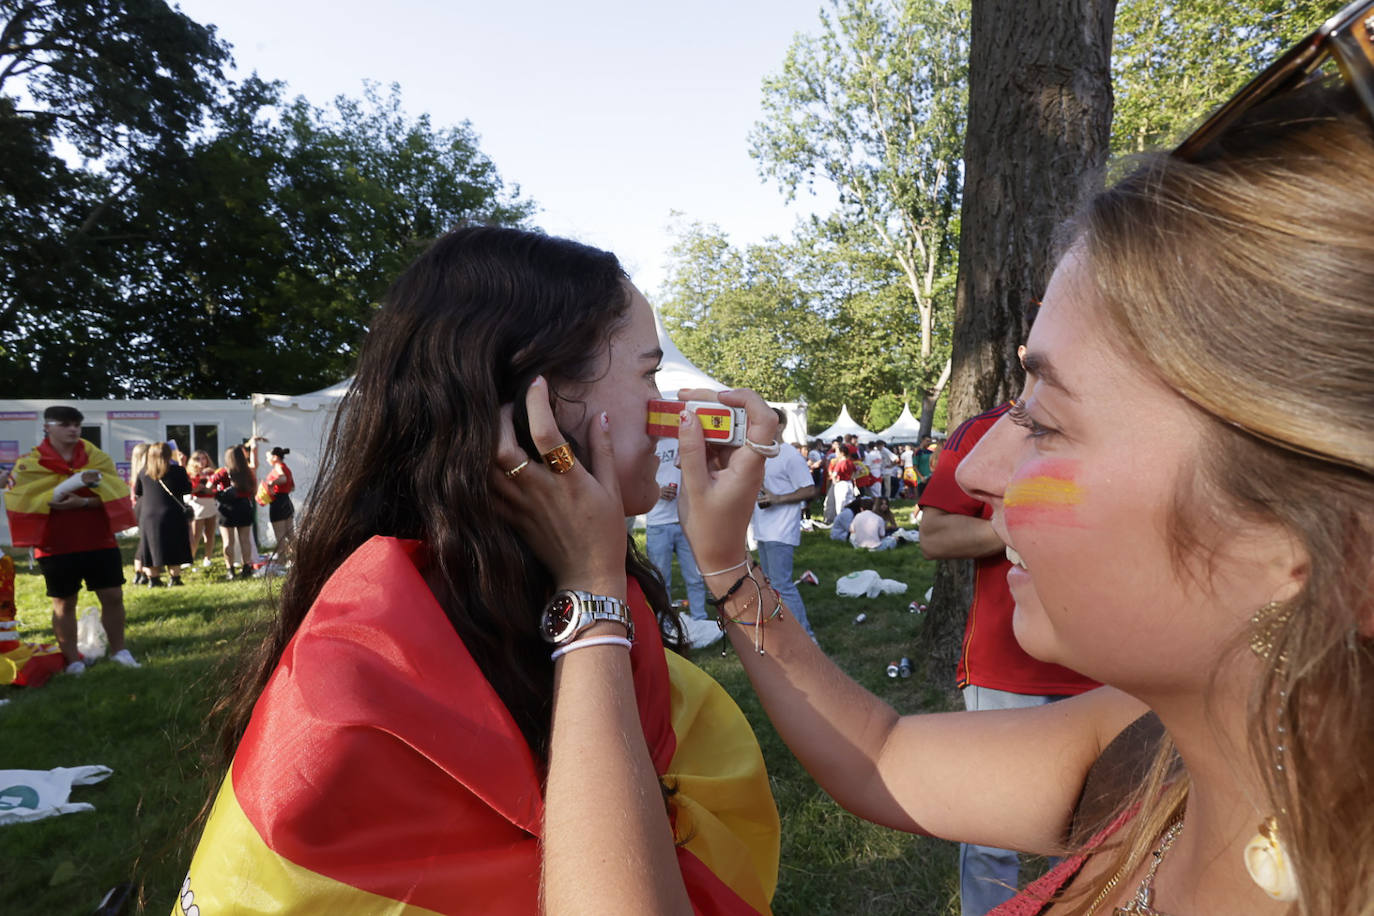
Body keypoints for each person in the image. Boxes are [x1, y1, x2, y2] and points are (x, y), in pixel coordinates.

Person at [526, 28, 1374, 915]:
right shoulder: (1150, 750)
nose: (986, 468)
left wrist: (589, 591)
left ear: (1306, 542)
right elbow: (883, 755)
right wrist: (728, 569)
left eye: (1044, 421)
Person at [177, 226, 780, 913]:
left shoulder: (576, 587)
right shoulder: (362, 666)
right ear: (540, 396)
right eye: (648, 374)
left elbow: (873, 755)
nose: (674, 409)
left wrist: (724, 565)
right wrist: (592, 596)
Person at [921, 402, 1099, 915]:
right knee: (993, 836)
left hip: (1107, 672)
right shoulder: (985, 432)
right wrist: (1027, 523)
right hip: (1007, 669)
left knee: (1091, 834)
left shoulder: (1129, 415)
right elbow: (935, 535)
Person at [2, 406, 139, 674]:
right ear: (47, 427)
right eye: (65, 424)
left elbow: (116, 493)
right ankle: (72, 662)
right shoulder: (29, 464)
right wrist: (54, 497)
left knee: (113, 595)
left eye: (76, 424)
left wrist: (85, 502)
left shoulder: (96, 458)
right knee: (64, 602)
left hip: (98, 538)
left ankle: (120, 651)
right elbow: (21, 500)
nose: (73, 429)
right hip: (55, 543)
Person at [752, 408, 818, 639]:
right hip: (763, 529)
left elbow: (810, 489)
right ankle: (784, 631)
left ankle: (806, 636)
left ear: (780, 425)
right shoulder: (759, 454)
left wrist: (778, 498)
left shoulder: (790, 455)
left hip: (781, 530)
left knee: (782, 585)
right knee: (770, 585)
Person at [644, 438, 707, 620]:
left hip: (685, 520)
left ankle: (700, 618)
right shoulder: (646, 445)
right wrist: (657, 491)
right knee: (662, 580)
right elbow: (639, 479)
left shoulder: (681, 440)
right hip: (657, 523)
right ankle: (666, 622)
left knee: (694, 577)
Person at [135, 442, 194, 587]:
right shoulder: (178, 471)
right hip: (172, 513)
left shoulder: (143, 472)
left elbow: (138, 492)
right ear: (169, 455)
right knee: (174, 546)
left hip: (148, 515)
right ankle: (175, 578)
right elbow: (187, 489)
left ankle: (153, 580)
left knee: (150, 546)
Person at [211, 441, 258, 579]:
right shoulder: (248, 472)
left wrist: (218, 492)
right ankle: (246, 567)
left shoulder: (223, 472)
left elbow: (209, 486)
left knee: (228, 541)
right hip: (244, 506)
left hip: (227, 508)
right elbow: (254, 490)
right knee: (245, 540)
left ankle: (230, 570)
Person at [257, 446, 296, 562]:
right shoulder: (286, 468)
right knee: (290, 534)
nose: (266, 459)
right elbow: (292, 487)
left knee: (280, 536)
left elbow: (283, 478)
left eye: (267, 457)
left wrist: (270, 484)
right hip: (286, 501)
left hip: (278, 503)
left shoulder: (278, 467)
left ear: (275, 457)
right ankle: (296, 558)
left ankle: (282, 561)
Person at [185, 450, 219, 569]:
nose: (202, 461)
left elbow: (215, 490)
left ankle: (207, 558)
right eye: (198, 459)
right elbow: (189, 489)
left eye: (204, 458)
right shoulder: (190, 473)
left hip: (210, 503)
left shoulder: (212, 473)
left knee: (209, 534)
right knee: (195, 535)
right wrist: (199, 484)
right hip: (197, 504)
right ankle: (190, 559)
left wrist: (206, 486)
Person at [128, 442, 151, 585]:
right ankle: (145, 572)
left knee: (143, 542)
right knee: (146, 543)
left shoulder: (134, 475)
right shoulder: (145, 473)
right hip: (146, 508)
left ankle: (139, 572)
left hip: (137, 509)